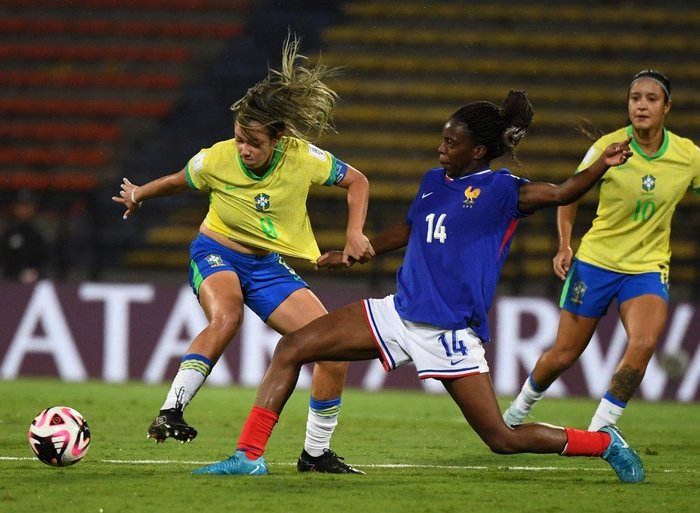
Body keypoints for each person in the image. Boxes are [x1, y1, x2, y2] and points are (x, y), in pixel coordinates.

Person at [191, 90, 645, 483]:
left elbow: (564, 192)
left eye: (452, 141)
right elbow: (411, 229)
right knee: (292, 347)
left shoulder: (505, 191)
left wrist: (602, 166)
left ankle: (602, 443)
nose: (441, 147)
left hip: (448, 332)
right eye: (443, 138)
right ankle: (249, 456)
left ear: (479, 150)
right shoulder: (433, 181)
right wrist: (354, 252)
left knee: (502, 440)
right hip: (398, 312)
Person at [112, 35, 374, 474]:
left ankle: (315, 455)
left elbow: (358, 181)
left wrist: (353, 233)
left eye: (253, 142)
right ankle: (171, 409)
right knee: (226, 317)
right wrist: (139, 193)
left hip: (267, 266)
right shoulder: (217, 158)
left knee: (332, 351)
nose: (244, 150)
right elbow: (179, 179)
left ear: (278, 138)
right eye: (239, 139)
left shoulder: (302, 158)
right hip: (215, 251)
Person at [503, 70, 700, 431]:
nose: (641, 105)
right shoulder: (609, 148)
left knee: (644, 342)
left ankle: (601, 430)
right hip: (595, 263)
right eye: (635, 98)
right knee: (563, 356)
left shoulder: (689, 157)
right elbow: (569, 195)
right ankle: (517, 410)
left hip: (647, 268)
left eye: (651, 99)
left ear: (667, 106)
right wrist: (565, 245)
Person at [1, 190, 46, 284]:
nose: (24, 209)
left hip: (38, 282)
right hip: (9, 283)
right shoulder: (8, 233)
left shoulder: (40, 233)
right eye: (21, 206)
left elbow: (48, 260)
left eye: (27, 205)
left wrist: (37, 273)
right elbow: (5, 261)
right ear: (14, 208)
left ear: (34, 208)